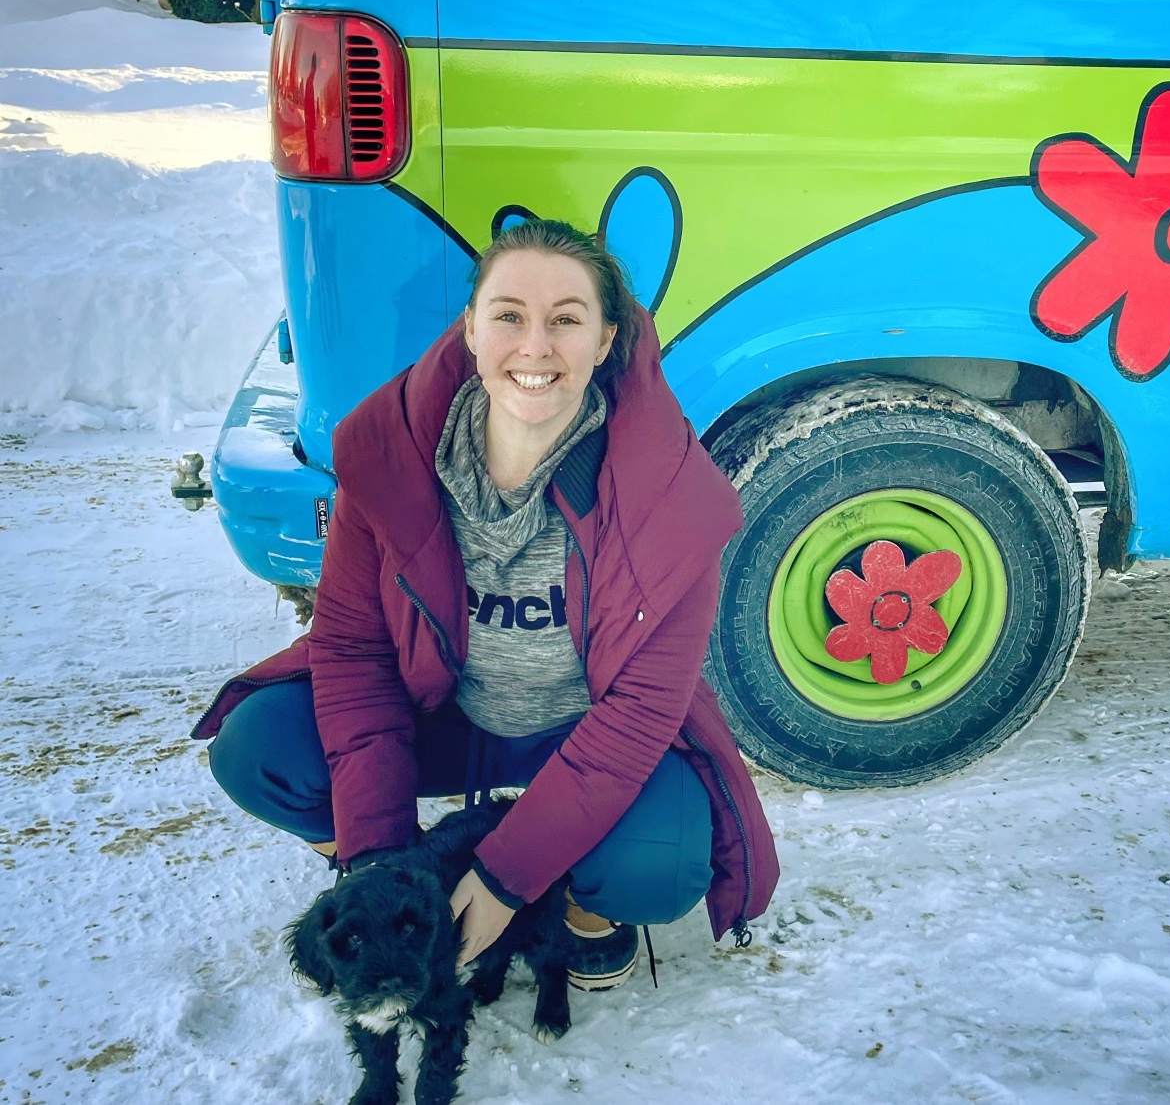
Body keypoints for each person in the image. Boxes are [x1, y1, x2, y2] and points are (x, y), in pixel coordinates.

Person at [194, 219, 778, 987]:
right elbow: (352, 651)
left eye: (567, 319)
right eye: (508, 315)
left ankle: (584, 912)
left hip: (581, 728)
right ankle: (370, 864)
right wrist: (383, 860)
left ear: (606, 341)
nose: (535, 347)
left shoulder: (673, 498)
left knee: (659, 860)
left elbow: (639, 714)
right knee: (260, 749)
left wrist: (506, 880)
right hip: (439, 714)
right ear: (470, 330)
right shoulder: (389, 458)